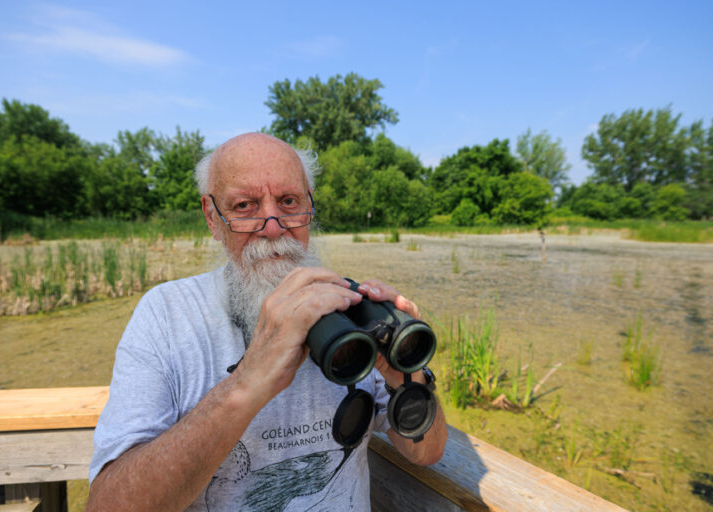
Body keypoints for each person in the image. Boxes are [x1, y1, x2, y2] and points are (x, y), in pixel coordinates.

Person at [86, 133, 447, 511]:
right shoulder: (167, 315)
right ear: (213, 218)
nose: (272, 227)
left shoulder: (351, 309)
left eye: (289, 202)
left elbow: (427, 452)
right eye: (245, 206)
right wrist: (247, 382)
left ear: (310, 205)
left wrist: (406, 374)